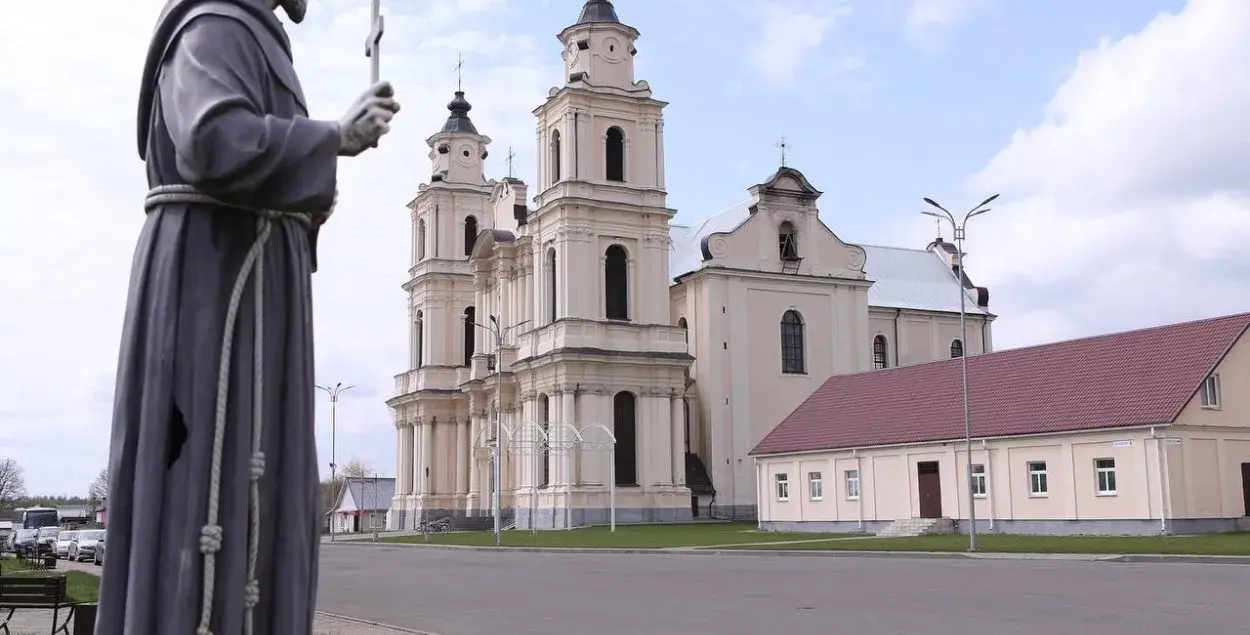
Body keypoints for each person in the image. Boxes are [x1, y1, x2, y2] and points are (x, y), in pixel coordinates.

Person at [97, 1, 399, 633]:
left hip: (248, 281)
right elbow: (212, 140)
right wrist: (331, 138)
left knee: (262, 480)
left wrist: (307, 195)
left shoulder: (253, 33)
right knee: (209, 479)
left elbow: (252, 157)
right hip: (216, 285)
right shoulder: (218, 24)